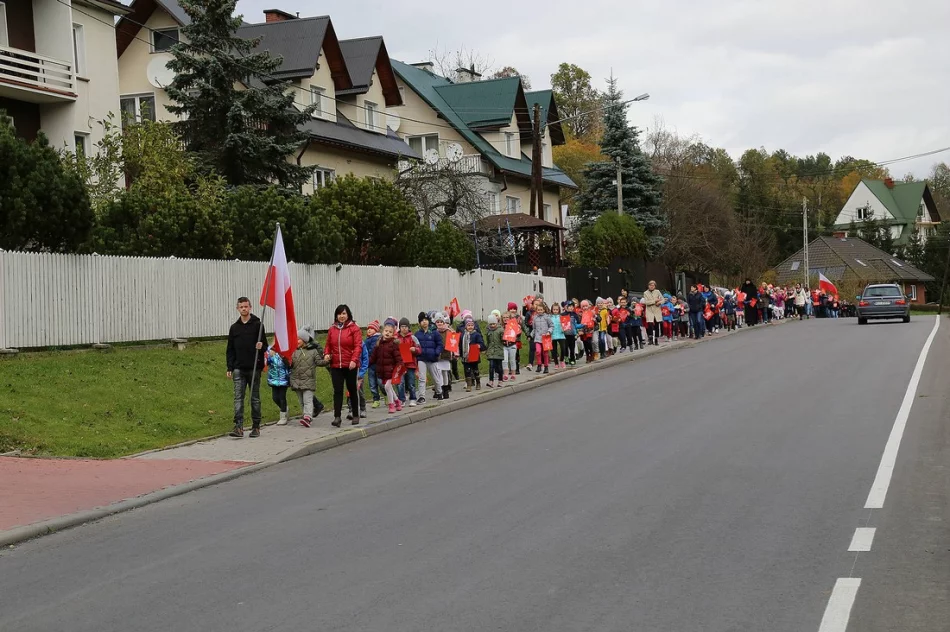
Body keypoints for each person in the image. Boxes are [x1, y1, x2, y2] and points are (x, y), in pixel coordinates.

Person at [226, 297, 268, 438]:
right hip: (239, 367)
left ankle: (256, 426)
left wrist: (261, 347)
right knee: (238, 398)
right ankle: (238, 426)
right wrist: (229, 367)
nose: (244, 309)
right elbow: (230, 349)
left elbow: (266, 346)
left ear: (250, 307)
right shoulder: (234, 328)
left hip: (254, 367)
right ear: (237, 309)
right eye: (241, 307)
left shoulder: (258, 325)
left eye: (246, 306)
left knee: (254, 398)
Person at [324, 304, 362, 428]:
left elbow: (358, 346)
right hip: (336, 365)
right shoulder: (332, 329)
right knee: (338, 391)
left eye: (344, 313)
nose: (341, 316)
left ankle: (356, 414)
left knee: (352, 389)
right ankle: (337, 417)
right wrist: (327, 354)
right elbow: (328, 345)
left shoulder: (354, 328)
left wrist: (354, 360)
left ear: (348, 315)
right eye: (339, 314)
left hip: (350, 365)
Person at [290, 328, 328, 428]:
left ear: (305, 340)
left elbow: (319, 362)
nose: (296, 341)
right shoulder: (293, 351)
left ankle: (308, 417)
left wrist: (327, 360)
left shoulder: (313, 351)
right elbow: (291, 365)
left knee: (308, 400)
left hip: (308, 380)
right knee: (301, 401)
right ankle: (305, 415)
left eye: (298, 339)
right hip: (296, 380)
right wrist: (286, 360)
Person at [369, 319, 404, 414]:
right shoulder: (379, 343)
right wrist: (368, 363)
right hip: (382, 370)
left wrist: (400, 367)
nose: (387, 333)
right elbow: (374, 356)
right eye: (386, 331)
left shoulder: (393, 344)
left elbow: (398, 358)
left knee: (387, 387)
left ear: (393, 334)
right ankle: (397, 401)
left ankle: (391, 405)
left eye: (390, 332)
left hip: (391, 370)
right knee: (390, 388)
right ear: (382, 331)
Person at [415, 312, 444, 401]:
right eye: (422, 320)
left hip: (432, 359)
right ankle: (422, 396)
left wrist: (437, 352)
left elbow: (440, 344)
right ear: (419, 322)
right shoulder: (417, 334)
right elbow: (415, 345)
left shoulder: (434, 333)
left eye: (426, 320)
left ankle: (439, 392)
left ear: (429, 321)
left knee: (436, 377)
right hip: (421, 358)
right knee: (422, 378)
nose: (424, 322)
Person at [396, 317, 421, 407]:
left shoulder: (413, 338)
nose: (404, 328)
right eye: (402, 326)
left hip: (410, 364)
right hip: (400, 364)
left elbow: (419, 349)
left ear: (409, 327)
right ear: (399, 327)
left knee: (411, 383)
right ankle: (401, 399)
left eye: (406, 326)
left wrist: (414, 349)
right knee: (400, 383)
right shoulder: (396, 338)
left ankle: (413, 398)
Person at [265, 346, 290, 426]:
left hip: (283, 379)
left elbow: (289, 364)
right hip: (274, 379)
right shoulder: (270, 350)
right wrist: (269, 356)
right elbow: (266, 363)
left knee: (282, 397)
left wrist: (283, 356)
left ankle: (283, 417)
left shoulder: (286, 350)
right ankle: (285, 409)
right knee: (275, 398)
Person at [460, 317, 486, 390]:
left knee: (475, 370)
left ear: (474, 326)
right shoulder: (463, 335)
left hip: (474, 355)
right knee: (467, 370)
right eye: (468, 325)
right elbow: (460, 344)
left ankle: (478, 383)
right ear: (465, 326)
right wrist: (459, 353)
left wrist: (479, 346)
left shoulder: (476, 334)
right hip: (466, 356)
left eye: (472, 325)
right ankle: (469, 384)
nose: (470, 327)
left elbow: (481, 343)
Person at [363, 320, 382, 408]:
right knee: (372, 383)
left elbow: (373, 351)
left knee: (381, 382)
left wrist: (368, 360)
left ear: (376, 330)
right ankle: (376, 399)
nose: (369, 330)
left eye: (371, 328)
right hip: (370, 366)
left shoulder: (377, 338)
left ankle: (387, 394)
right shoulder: (367, 339)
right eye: (368, 328)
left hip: (377, 364)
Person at [532, 301, 554, 373]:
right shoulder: (535, 318)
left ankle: (546, 366)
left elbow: (551, 326)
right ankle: (539, 364)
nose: (540, 311)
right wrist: (531, 335)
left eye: (541, 310)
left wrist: (549, 332)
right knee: (538, 351)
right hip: (538, 337)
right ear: (536, 310)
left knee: (545, 353)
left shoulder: (547, 317)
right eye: (538, 310)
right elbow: (534, 328)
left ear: (544, 310)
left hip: (545, 338)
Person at [485, 314, 505, 388]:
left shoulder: (500, 330)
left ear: (496, 323)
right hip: (491, 351)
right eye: (491, 324)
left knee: (499, 367)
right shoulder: (488, 331)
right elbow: (488, 341)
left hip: (498, 351)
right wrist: (486, 349)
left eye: (494, 324)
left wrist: (504, 339)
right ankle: (491, 381)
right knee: (491, 366)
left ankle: (500, 380)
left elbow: (503, 339)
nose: (492, 326)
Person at [642, 281, 663, 346]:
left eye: (653, 285)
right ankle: (650, 338)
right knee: (650, 324)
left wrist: (659, 302)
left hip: (657, 310)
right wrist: (655, 301)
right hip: (650, 310)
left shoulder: (657, 292)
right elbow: (646, 302)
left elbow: (663, 299)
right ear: (648, 286)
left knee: (657, 325)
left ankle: (656, 339)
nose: (651, 286)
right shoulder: (645, 293)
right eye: (650, 285)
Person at [501, 313, 520, 381]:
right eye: (504, 317)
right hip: (504, 346)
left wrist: (518, 328)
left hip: (512, 345)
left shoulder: (513, 326)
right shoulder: (500, 327)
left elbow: (518, 334)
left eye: (507, 317)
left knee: (512, 360)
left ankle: (513, 374)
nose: (505, 319)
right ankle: (505, 374)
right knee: (504, 360)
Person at [550, 302, 567, 368]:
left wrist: (564, 329)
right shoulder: (550, 317)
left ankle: (562, 360)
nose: (555, 311)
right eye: (554, 310)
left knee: (563, 348)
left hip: (561, 334)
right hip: (553, 335)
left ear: (559, 310)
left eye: (556, 310)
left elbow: (565, 325)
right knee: (554, 350)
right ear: (552, 310)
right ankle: (556, 363)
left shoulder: (561, 317)